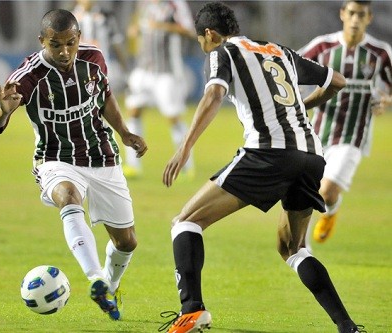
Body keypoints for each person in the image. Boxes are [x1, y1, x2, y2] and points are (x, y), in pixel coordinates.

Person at [159, 2, 365, 333]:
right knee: (293, 248)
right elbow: (337, 80)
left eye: (202, 41)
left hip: (268, 153)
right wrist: (301, 106)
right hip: (311, 155)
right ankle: (348, 326)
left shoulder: (223, 51)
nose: (204, 47)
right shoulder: (279, 51)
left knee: (185, 222)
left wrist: (184, 148)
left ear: (210, 34)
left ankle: (192, 310)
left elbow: (213, 95)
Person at [0, 9, 147, 321]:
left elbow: (105, 96)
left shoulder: (94, 58)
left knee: (126, 242)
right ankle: (96, 276)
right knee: (69, 198)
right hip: (55, 157)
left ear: (79, 38)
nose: (64, 52)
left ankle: (108, 289)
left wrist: (125, 133)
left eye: (70, 43)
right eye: (56, 45)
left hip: (101, 155)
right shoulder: (28, 75)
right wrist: (3, 112)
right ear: (42, 41)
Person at [298, 0, 392, 244]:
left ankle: (331, 209)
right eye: (351, 13)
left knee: (326, 191)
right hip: (318, 132)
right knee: (306, 190)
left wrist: (387, 101)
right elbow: (292, 65)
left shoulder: (380, 53)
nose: (355, 19)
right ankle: (302, 248)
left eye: (361, 15)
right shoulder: (323, 46)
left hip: (354, 135)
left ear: (369, 18)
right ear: (342, 14)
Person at [123, 0, 196, 179]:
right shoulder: (143, 4)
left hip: (167, 71)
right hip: (143, 68)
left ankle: (186, 165)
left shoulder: (175, 4)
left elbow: (190, 31)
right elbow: (136, 26)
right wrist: (134, 31)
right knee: (133, 112)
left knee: (173, 118)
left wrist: (162, 26)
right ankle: (133, 165)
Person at [72, 0, 128, 91]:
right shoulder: (69, 17)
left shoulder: (106, 16)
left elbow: (116, 44)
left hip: (103, 66)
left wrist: (124, 68)